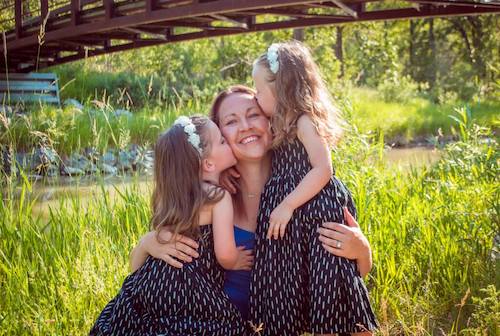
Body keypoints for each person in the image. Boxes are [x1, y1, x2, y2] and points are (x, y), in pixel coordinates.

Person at [131, 85, 375, 334]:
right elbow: (152, 285)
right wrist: (146, 244)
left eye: (253, 114)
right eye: (231, 121)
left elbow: (344, 288)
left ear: (271, 121)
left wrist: (362, 251)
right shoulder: (207, 201)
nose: (246, 126)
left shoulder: (304, 193)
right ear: (217, 138)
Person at [249, 41, 378, 335]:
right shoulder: (277, 125)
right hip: (293, 221)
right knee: (289, 278)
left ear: (281, 89)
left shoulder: (305, 121)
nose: (255, 97)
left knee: (327, 275)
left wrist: (287, 205)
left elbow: (323, 168)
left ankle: (342, 328)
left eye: (258, 90)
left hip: (314, 211)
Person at [90, 116, 251, 335]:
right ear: (209, 164)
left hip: (151, 284)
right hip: (190, 289)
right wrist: (237, 260)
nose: (226, 141)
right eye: (222, 141)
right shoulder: (217, 197)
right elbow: (224, 254)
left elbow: (137, 269)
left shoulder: (167, 198)